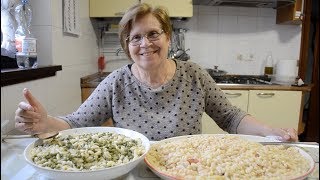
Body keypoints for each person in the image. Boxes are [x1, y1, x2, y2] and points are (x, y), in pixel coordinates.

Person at [15, 3, 298, 141]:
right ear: (127, 45)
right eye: (135, 37)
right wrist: (45, 123)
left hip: (187, 169)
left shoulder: (194, 75)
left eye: (153, 34)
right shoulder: (116, 83)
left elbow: (231, 117)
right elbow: (77, 123)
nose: (145, 44)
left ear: (168, 38)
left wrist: (272, 132)